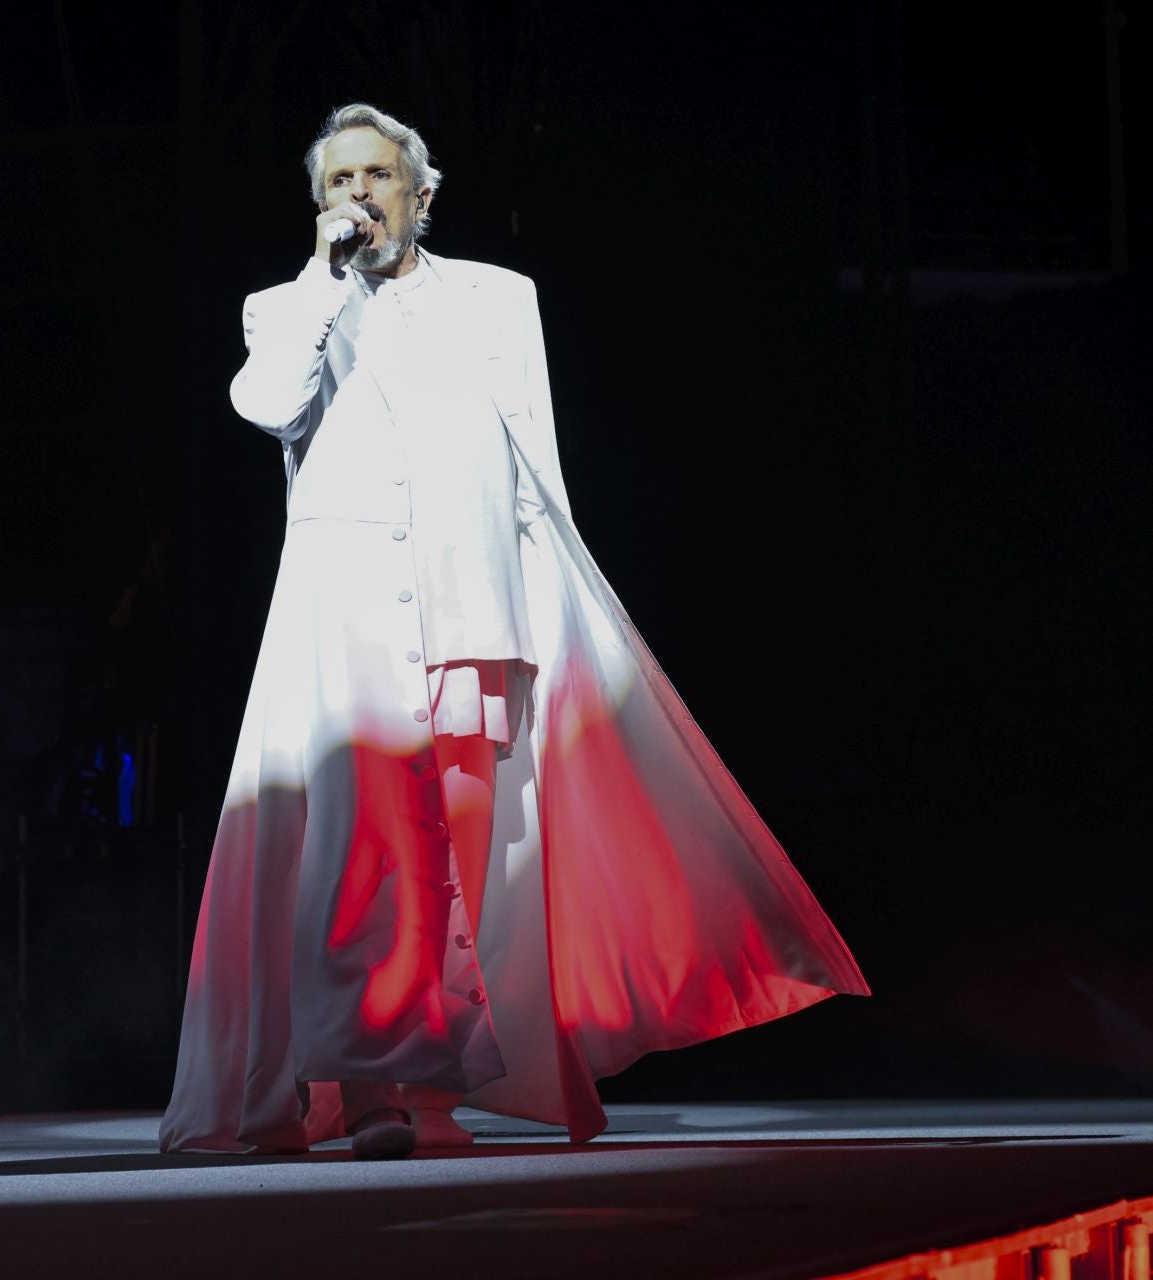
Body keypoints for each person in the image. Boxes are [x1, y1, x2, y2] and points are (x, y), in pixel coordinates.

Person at [159, 103, 868, 1159]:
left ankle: (427, 1088)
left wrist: (553, 609)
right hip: (344, 615)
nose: (358, 196)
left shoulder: (499, 298)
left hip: (472, 608)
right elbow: (267, 407)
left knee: (466, 860)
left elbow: (537, 468)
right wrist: (321, 283)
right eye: (338, 181)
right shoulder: (287, 306)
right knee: (361, 852)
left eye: (377, 177)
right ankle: (366, 1091)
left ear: (421, 193)